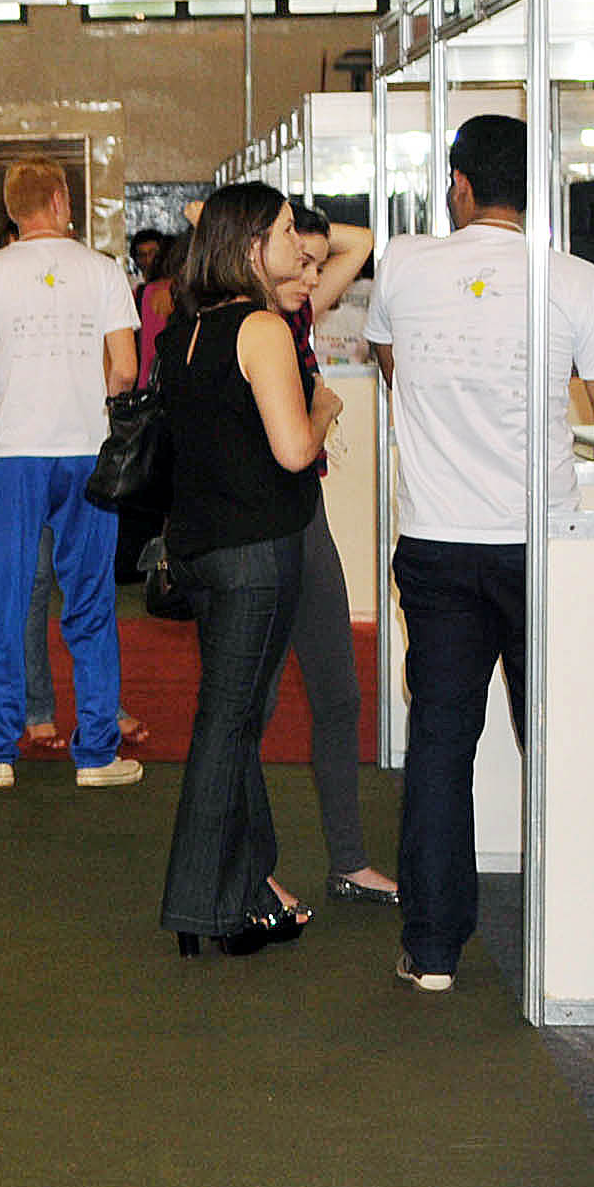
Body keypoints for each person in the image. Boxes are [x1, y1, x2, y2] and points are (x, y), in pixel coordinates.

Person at [366, 114, 594, 991]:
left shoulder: (404, 265)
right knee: (556, 738)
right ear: (536, 189)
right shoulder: (575, 282)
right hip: (545, 550)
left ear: (458, 185)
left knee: (441, 741)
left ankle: (431, 950)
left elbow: (391, 363)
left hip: (437, 542)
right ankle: (577, 937)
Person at [154, 182, 335, 957]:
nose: (300, 244)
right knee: (229, 725)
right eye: (287, 230)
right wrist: (324, 408)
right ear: (252, 246)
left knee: (236, 718)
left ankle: (251, 887)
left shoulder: (183, 332)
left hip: (201, 551)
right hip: (257, 553)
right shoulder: (261, 329)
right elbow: (294, 451)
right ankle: (202, 904)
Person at [0, 158, 142, 790]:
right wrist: (88, 401)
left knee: (4, 599)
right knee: (91, 601)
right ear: (61, 200)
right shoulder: (104, 270)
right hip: (88, 452)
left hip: (15, 456)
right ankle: (98, 755)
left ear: (12, 210)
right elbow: (126, 370)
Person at [271, 205, 397, 906]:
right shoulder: (248, 324)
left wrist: (298, 235)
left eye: (320, 265)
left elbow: (364, 241)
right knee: (248, 707)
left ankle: (349, 860)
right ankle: (247, 867)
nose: (315, 277)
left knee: (340, 693)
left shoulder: (296, 312)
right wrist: (323, 408)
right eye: (302, 261)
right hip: (257, 529)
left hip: (305, 518)